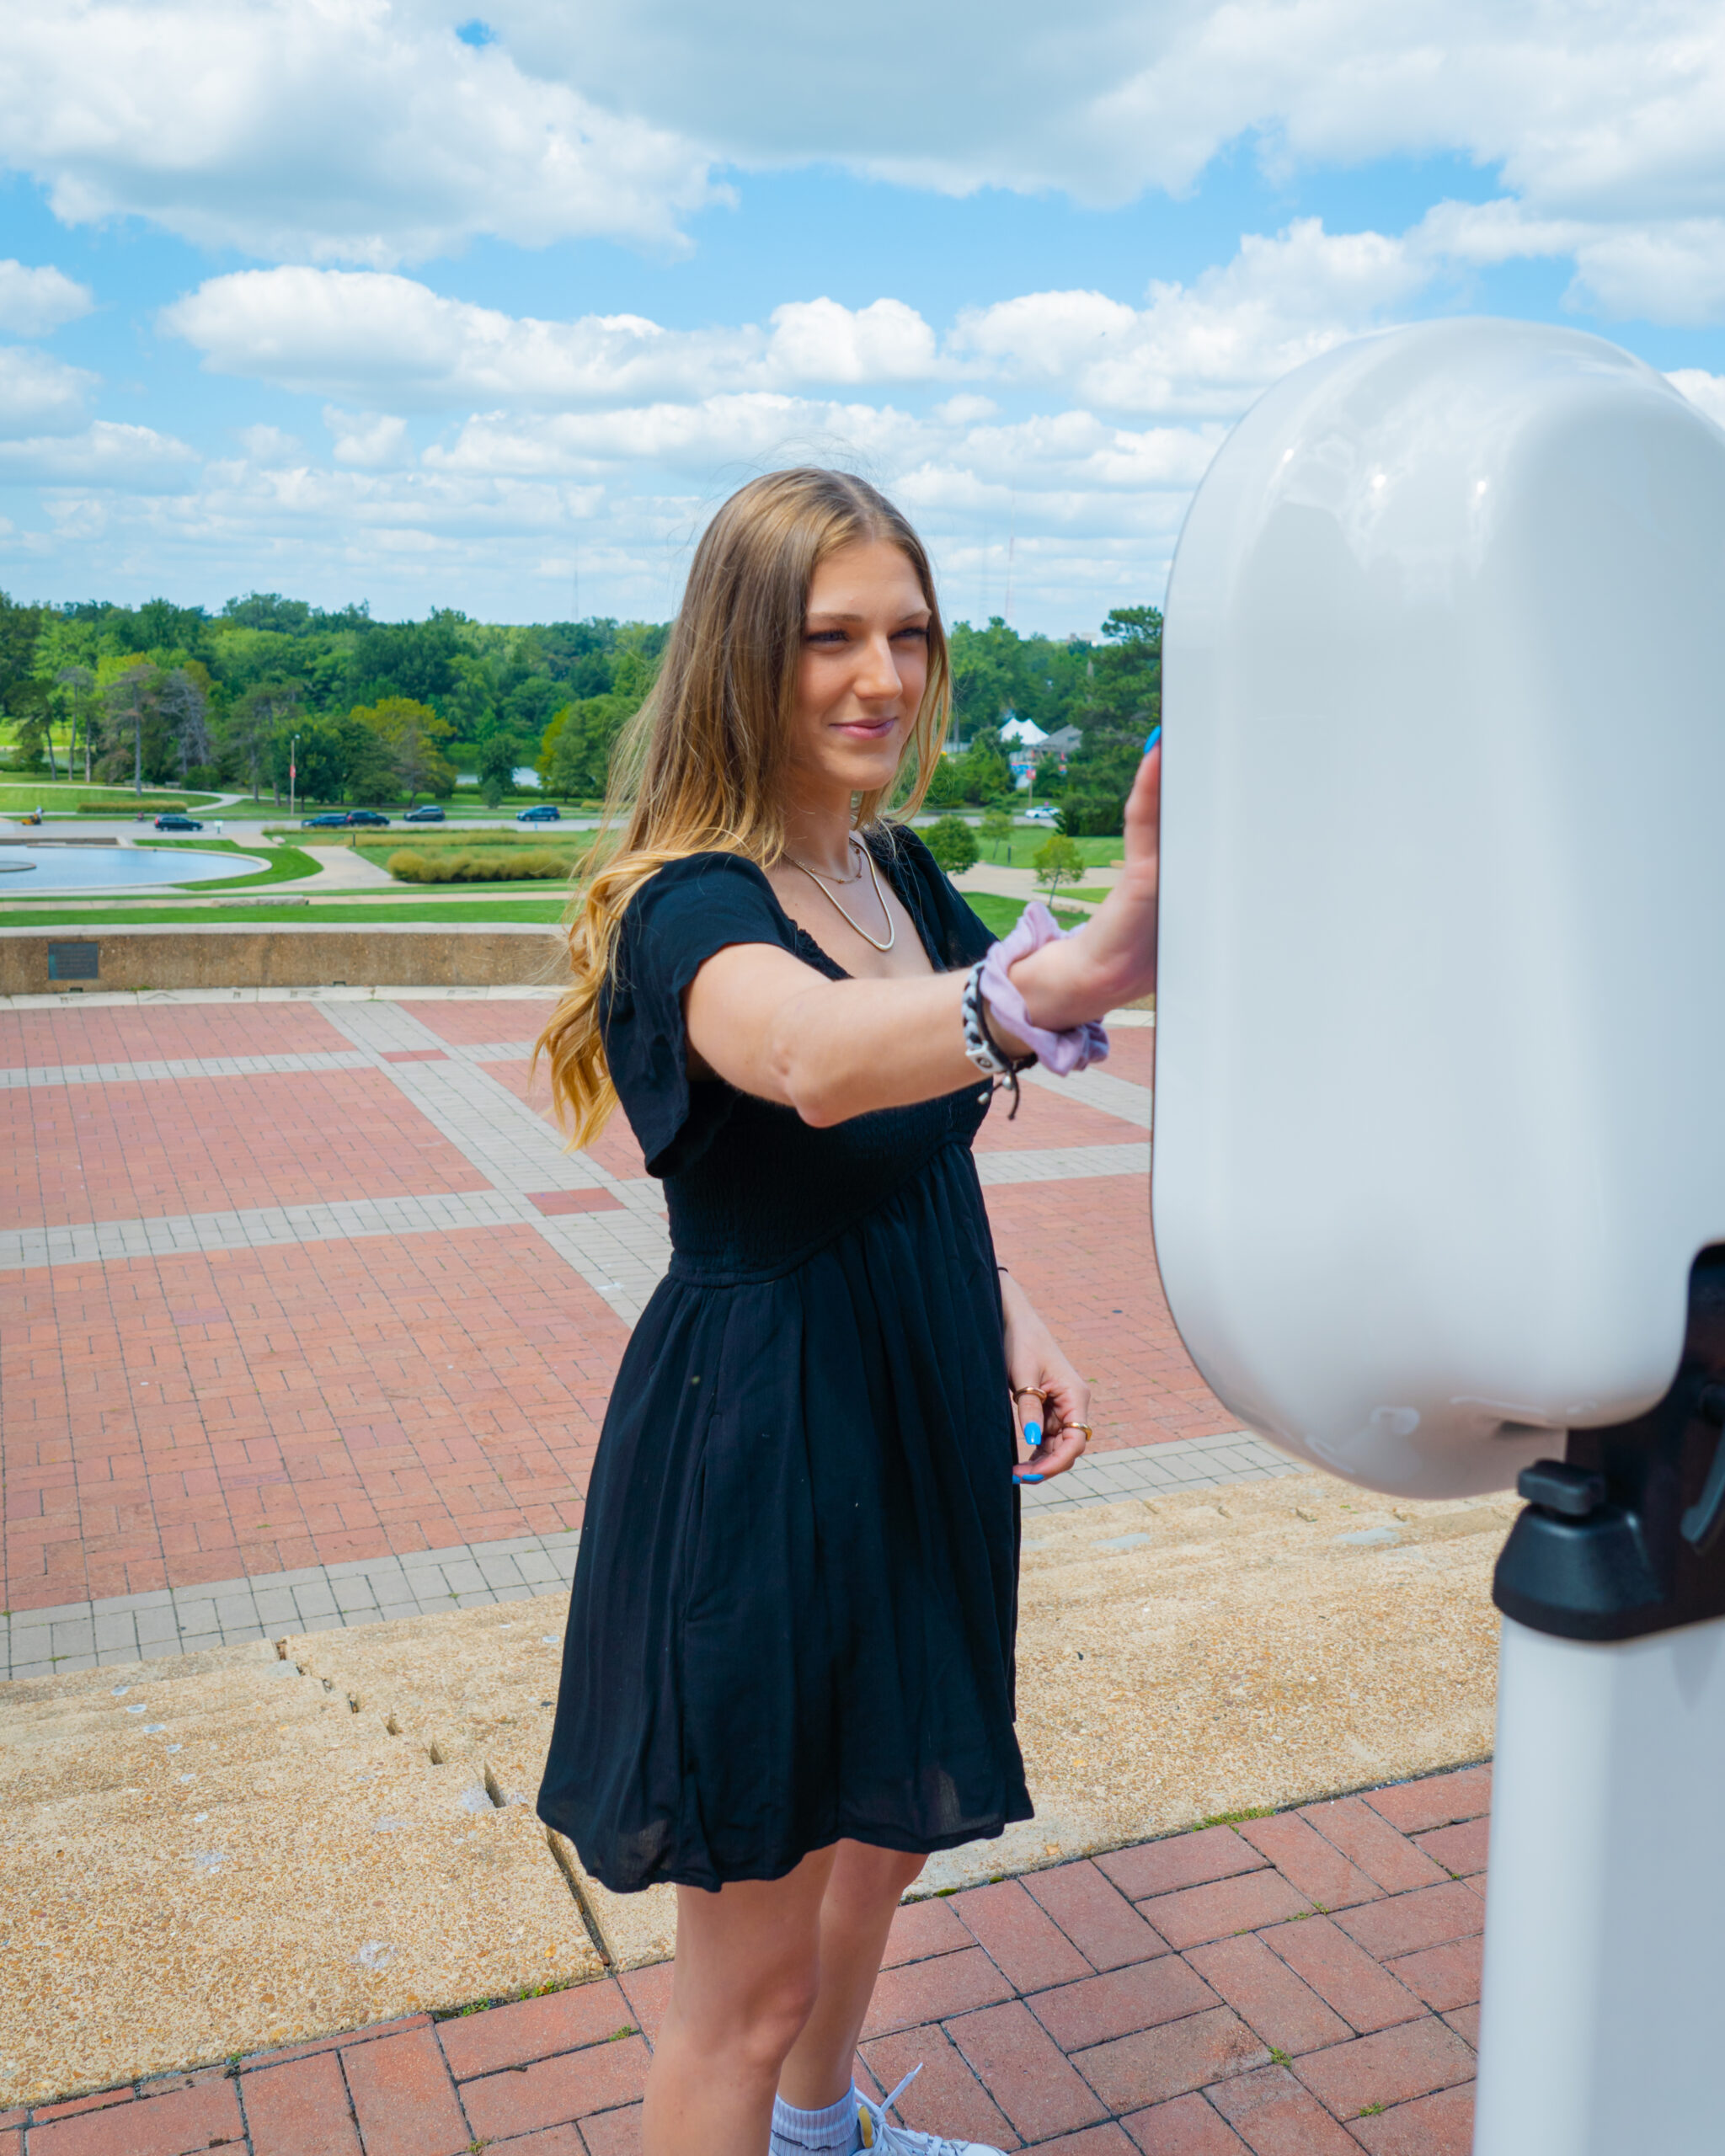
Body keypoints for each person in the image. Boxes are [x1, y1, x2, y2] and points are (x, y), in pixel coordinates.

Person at [536, 468, 1160, 2156]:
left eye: (908, 632)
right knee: (733, 1990)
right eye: (830, 637)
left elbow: (918, 1122)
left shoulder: (892, 865)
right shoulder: (690, 903)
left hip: (915, 1398)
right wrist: (1076, 972)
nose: (882, 675)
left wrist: (1008, 1301)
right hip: (766, 1432)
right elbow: (814, 1060)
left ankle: (825, 2131)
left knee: (879, 1830)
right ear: (743, 655)